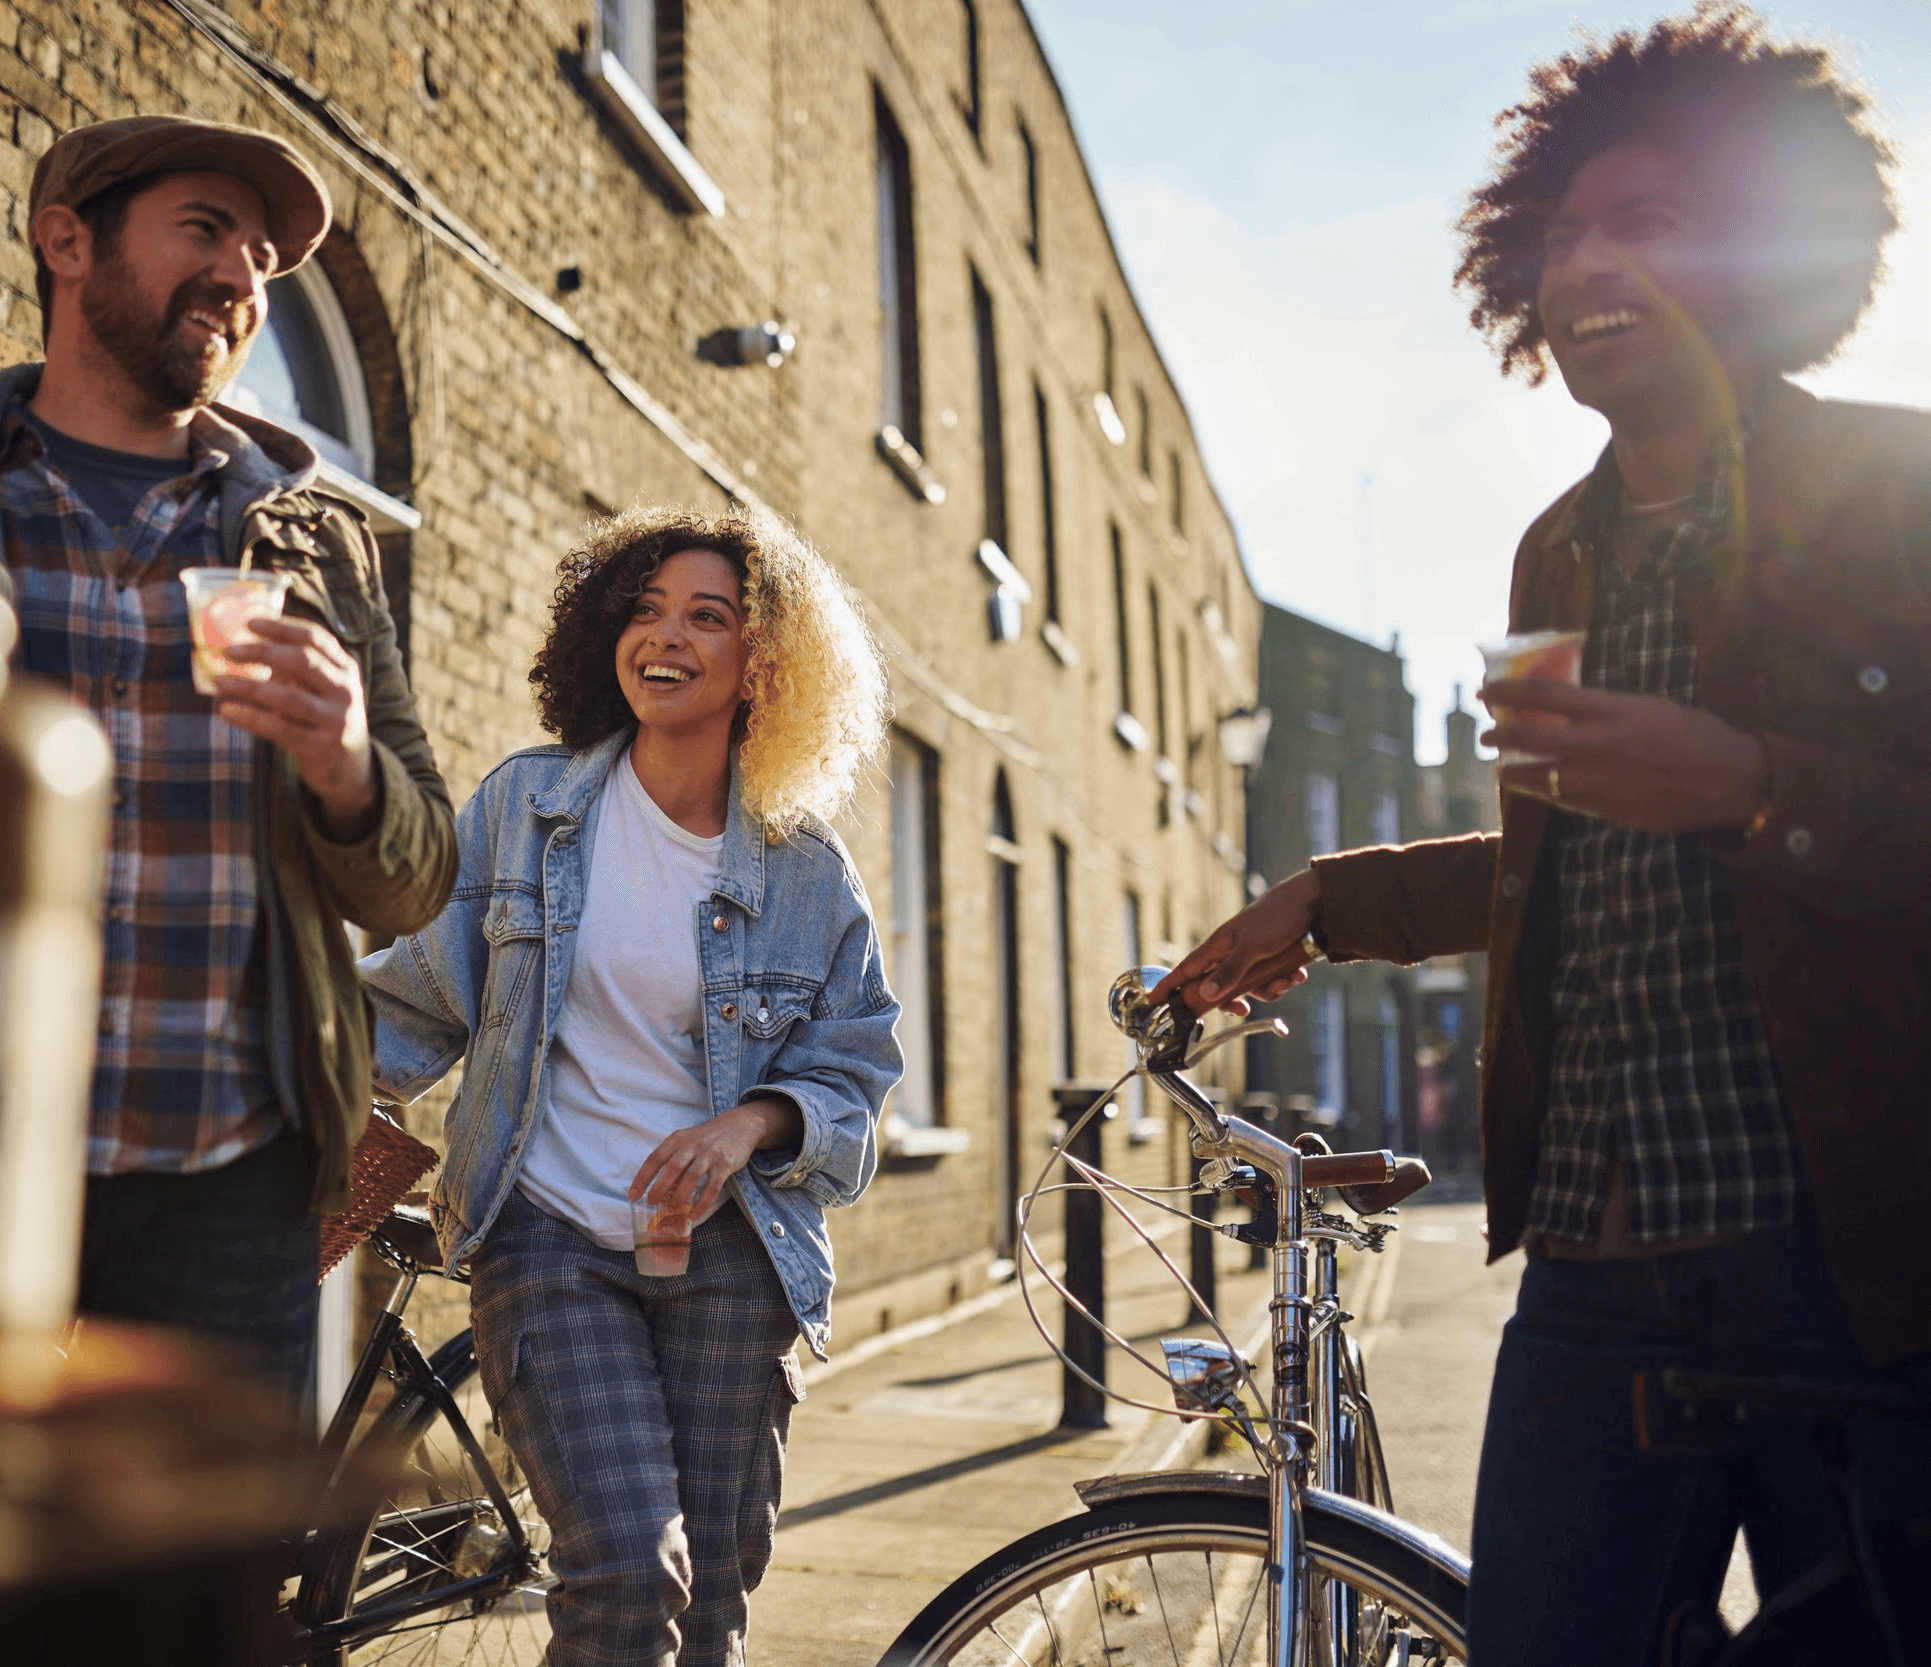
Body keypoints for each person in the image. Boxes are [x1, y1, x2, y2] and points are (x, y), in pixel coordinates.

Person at [1157, 10, 1930, 1661]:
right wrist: (1327, 896)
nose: (1585, 264)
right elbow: (1558, 862)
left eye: (1641, 219)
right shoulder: (1552, 551)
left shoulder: (1896, 488)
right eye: (1560, 233)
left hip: (1848, 1248)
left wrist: (1753, 784)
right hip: (1594, 1247)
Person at [360, 504, 901, 1664]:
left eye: (708, 616)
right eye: (645, 610)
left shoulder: (806, 869)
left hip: (731, 1256)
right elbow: (414, 996)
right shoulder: (528, 807)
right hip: (549, 1235)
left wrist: (751, 1120)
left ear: (767, 661)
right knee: (623, 1566)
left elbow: (854, 1067)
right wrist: (291, 1093)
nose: (666, 635)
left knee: (707, 1604)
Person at [1, 114, 457, 1399]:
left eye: (261, 257)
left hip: (225, 1176)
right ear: (67, 243)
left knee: (198, 1536)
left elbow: (418, 879)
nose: (241, 276)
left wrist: (347, 769)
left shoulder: (310, 542)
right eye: (204, 229)